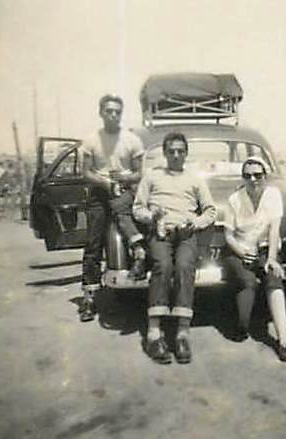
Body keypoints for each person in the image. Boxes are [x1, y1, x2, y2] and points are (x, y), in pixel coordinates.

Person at [133, 132, 217, 364]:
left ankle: (182, 334)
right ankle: (153, 334)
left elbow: (211, 210)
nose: (176, 155)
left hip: (186, 234)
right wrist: (152, 216)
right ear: (165, 153)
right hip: (160, 232)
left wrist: (195, 223)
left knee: (184, 266)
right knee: (162, 265)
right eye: (172, 151)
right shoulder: (152, 176)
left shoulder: (195, 179)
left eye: (181, 151)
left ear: (186, 153)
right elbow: (137, 209)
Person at [80, 94, 146, 322]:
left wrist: (124, 179)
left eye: (117, 111)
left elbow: (140, 173)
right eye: (108, 111)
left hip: (125, 191)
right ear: (101, 113)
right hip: (99, 193)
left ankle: (137, 257)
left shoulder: (132, 140)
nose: (113, 115)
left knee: (128, 221)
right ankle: (89, 298)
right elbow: (86, 172)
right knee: (93, 245)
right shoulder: (91, 140)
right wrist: (105, 182)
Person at [223, 157, 286, 362]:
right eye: (247, 176)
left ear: (265, 176)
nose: (253, 180)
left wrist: (272, 259)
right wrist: (242, 253)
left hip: (264, 249)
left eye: (257, 175)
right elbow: (228, 236)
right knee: (247, 282)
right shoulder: (234, 199)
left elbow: (274, 230)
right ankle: (242, 325)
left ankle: (283, 341)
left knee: (273, 279)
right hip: (238, 249)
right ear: (243, 178)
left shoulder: (273, 195)